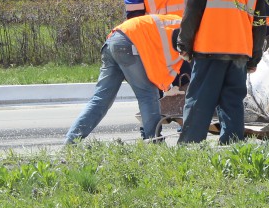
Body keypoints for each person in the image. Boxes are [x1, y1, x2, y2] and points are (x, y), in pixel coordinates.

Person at [176, 0, 268, 145]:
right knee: (233, 102)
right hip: (240, 50)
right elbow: (259, 20)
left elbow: (193, 9)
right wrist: (255, 56)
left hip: (210, 47)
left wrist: (184, 43)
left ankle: (190, 148)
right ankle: (233, 149)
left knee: (200, 100)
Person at [66, 13, 184, 143]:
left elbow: (160, 59)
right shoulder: (187, 29)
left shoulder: (174, 23)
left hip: (114, 40)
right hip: (128, 45)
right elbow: (173, 59)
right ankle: (154, 141)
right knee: (148, 95)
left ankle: (72, 141)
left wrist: (168, 86)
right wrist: (167, 86)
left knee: (101, 99)